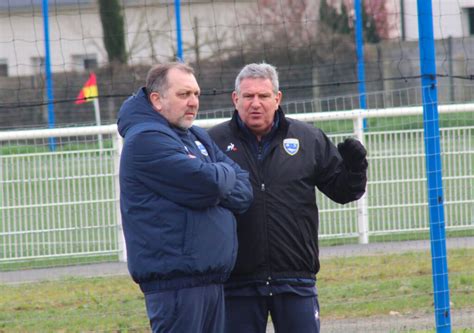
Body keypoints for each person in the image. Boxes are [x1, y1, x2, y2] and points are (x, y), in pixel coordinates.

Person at [208, 62, 368, 333]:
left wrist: (355, 169)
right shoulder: (213, 143)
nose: (255, 103)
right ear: (235, 99)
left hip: (295, 279)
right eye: (248, 96)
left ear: (277, 98)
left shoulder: (308, 139)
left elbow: (343, 191)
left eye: (263, 96)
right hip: (236, 283)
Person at [117, 62, 253, 333]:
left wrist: (216, 176)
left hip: (209, 280)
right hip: (177, 287)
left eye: (196, 94)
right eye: (183, 94)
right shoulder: (146, 140)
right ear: (157, 100)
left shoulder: (195, 136)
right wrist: (220, 175)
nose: (193, 102)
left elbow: (244, 192)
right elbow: (210, 185)